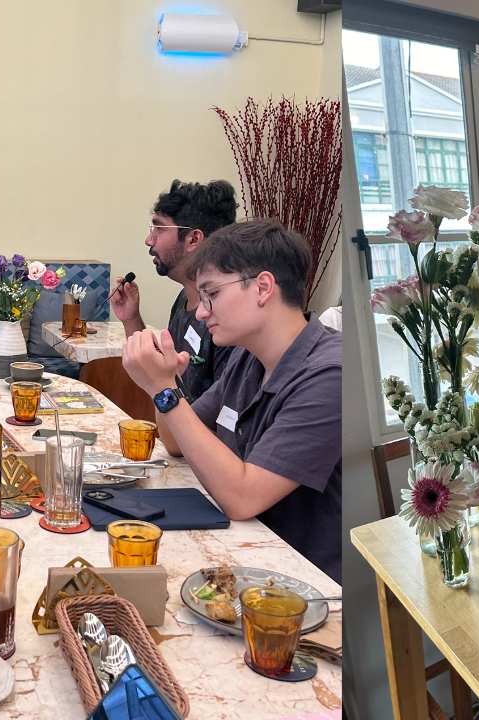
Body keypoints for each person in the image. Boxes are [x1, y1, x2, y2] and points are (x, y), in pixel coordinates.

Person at [123, 219, 342, 582]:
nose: (201, 311)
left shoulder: (330, 375)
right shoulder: (248, 356)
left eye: (212, 293)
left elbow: (242, 498)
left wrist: (164, 391)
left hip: (302, 585)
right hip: (244, 554)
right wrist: (165, 382)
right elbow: (175, 442)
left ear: (263, 287)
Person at [111, 180, 237, 401]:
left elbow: (222, 412)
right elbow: (162, 375)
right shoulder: (184, 299)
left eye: (159, 229)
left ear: (193, 239)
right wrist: (132, 319)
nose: (149, 240)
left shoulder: (226, 316)